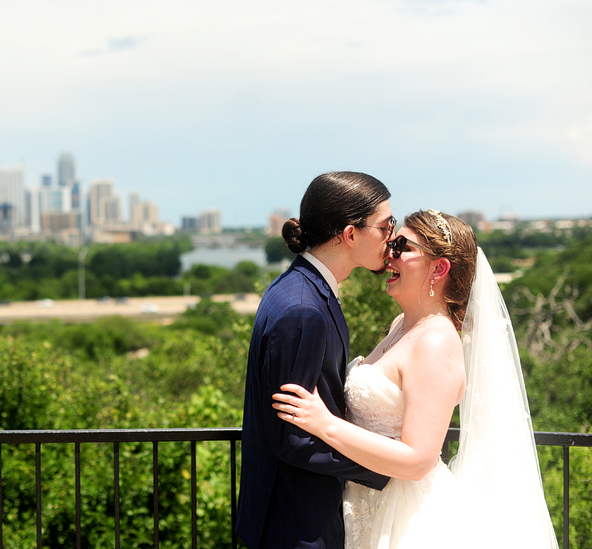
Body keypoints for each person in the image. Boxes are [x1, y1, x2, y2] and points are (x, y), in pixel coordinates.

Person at [272, 210, 558, 549]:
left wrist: (325, 424)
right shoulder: (401, 324)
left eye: (402, 247)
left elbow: (418, 459)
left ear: (438, 268)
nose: (388, 255)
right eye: (392, 243)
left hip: (406, 518)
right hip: (364, 504)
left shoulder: (435, 342)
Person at [236, 172, 393, 549]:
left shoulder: (300, 288)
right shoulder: (303, 308)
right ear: (350, 234)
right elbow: (293, 438)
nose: (393, 238)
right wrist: (386, 468)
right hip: (297, 525)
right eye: (387, 226)